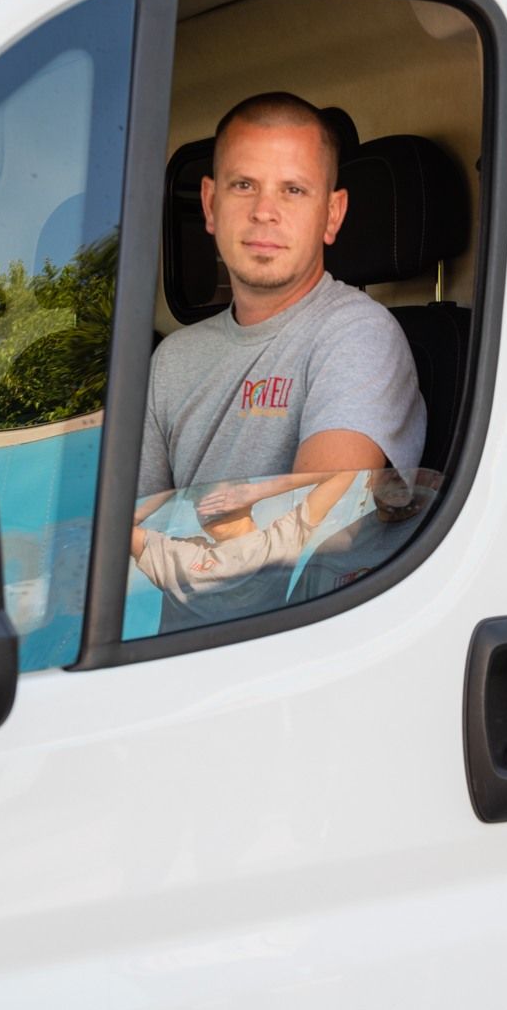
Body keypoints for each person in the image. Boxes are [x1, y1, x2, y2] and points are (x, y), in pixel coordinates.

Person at [136, 92, 425, 509]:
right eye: (243, 185)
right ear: (210, 204)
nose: (264, 211)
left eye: (293, 189)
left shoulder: (359, 334)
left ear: (332, 214)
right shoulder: (170, 360)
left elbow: (319, 523)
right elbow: (130, 524)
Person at [130, 469, 357, 628]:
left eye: (212, 495)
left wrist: (258, 491)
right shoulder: (177, 554)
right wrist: (174, 483)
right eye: (197, 501)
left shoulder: (277, 542)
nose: (204, 505)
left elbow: (344, 472)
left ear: (241, 494)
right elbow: (117, 528)